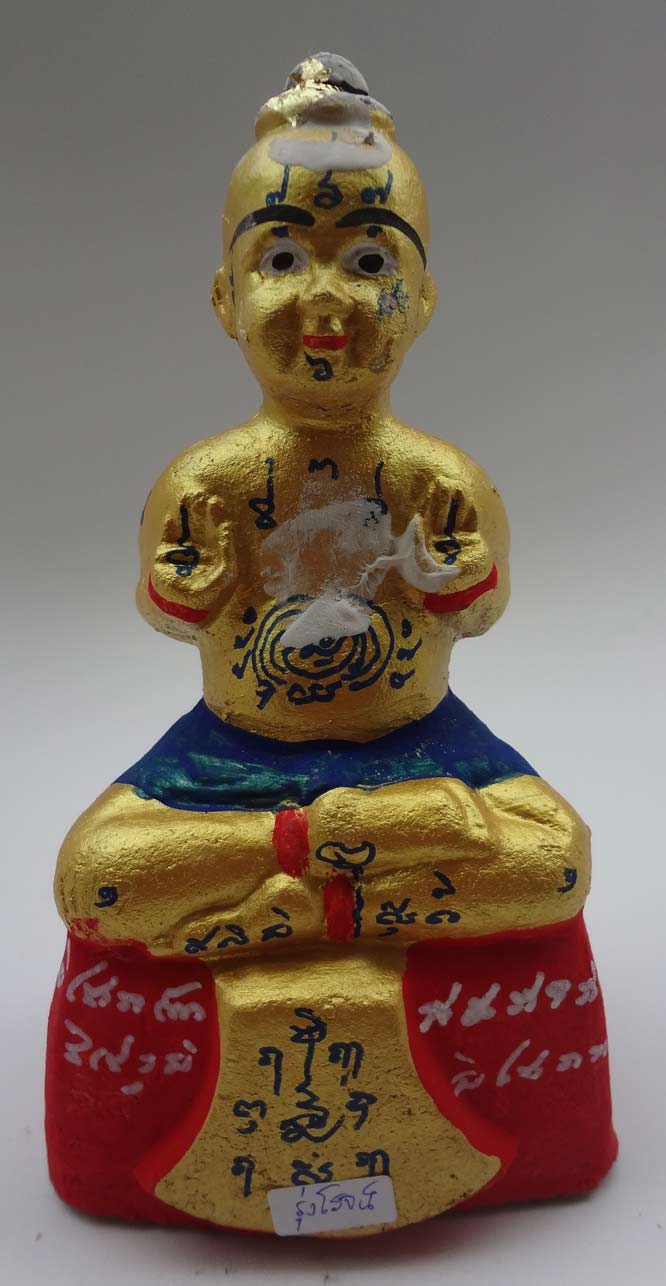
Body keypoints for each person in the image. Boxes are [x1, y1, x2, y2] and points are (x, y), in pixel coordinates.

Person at [46, 53, 617, 1236]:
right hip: (231, 759)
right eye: (282, 258)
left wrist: (462, 582)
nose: (326, 299)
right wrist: (187, 592)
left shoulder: (438, 476)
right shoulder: (205, 480)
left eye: (368, 260)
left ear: (424, 297)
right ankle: (336, 865)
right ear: (224, 297)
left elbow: (483, 609)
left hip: (421, 745)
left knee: (556, 858)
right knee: (97, 875)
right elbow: (168, 608)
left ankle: (290, 892)